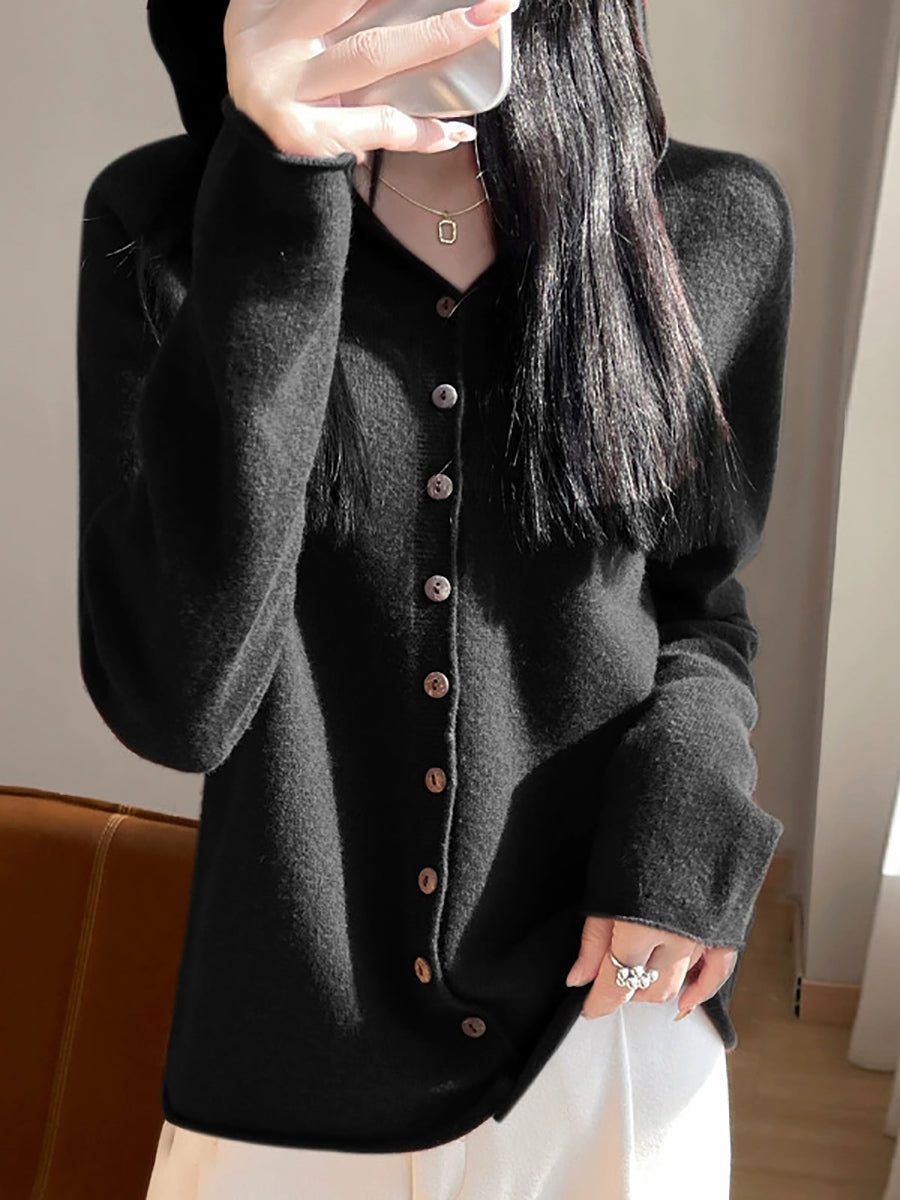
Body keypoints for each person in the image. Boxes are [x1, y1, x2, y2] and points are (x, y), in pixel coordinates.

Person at [75, 0, 793, 1195]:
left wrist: (684, 822)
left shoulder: (714, 222)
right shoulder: (164, 225)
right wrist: (278, 187)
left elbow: (698, 607)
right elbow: (177, 704)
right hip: (292, 1058)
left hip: (606, 1014)